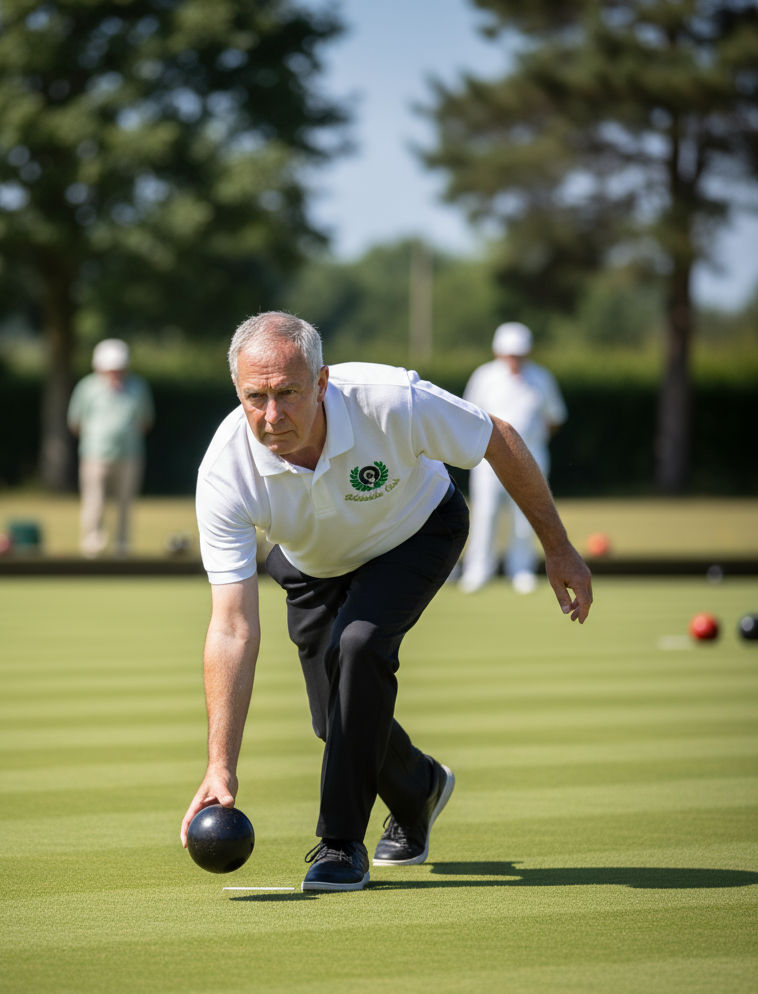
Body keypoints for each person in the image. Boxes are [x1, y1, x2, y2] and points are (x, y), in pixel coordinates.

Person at [180, 312, 592, 892]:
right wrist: (221, 764)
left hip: (417, 531)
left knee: (360, 644)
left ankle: (341, 844)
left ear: (321, 382)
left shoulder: (390, 399)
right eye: (256, 397)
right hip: (313, 566)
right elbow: (232, 628)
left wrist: (558, 547)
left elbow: (497, 436)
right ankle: (418, 785)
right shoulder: (225, 473)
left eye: (289, 393)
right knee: (336, 721)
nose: (272, 416)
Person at [459, 322, 567, 594]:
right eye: (510, 353)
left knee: (528, 514)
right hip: (487, 461)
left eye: (519, 353)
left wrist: (532, 441)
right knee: (485, 513)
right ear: (498, 352)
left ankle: (521, 569)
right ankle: (478, 570)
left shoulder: (542, 378)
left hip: (533, 457)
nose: (515, 359)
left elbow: (554, 418)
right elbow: (467, 415)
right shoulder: (483, 377)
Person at [67, 339, 155, 557]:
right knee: (94, 503)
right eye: (110, 369)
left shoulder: (138, 386)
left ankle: (122, 547)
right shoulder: (86, 387)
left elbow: (146, 420)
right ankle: (92, 547)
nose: (115, 373)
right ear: (99, 368)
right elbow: (75, 422)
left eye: (119, 368)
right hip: (94, 455)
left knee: (125, 504)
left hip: (131, 455)